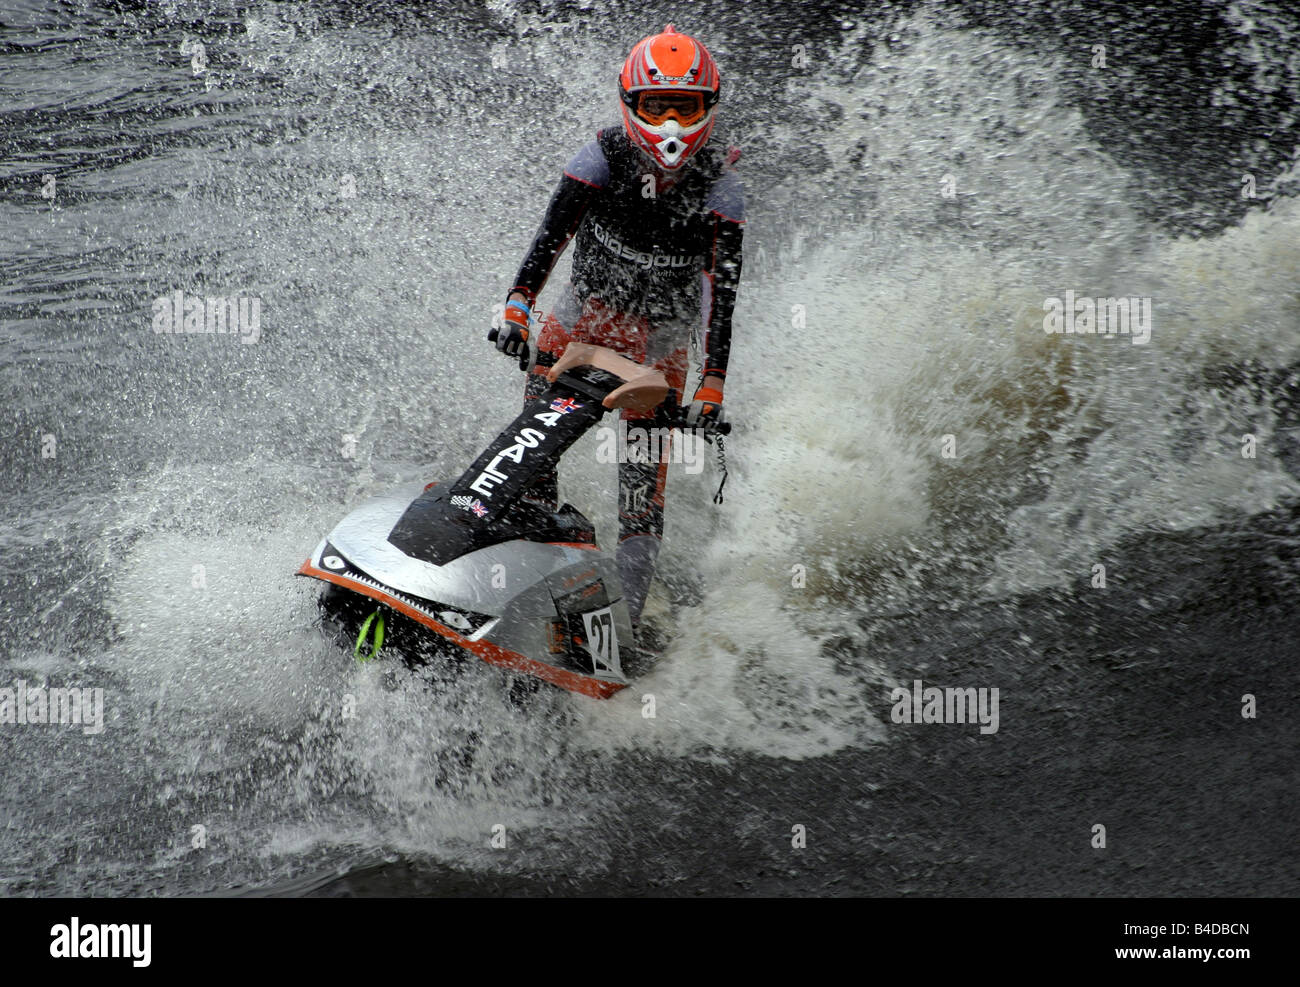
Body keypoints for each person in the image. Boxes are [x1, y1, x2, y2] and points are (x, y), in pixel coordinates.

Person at [491, 24, 745, 635]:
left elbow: (721, 300)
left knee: (640, 494)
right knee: (531, 458)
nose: (671, 126)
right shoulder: (602, 156)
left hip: (658, 357)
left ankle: (624, 626)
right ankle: (538, 564)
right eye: (657, 106)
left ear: (707, 108)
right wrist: (517, 307)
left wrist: (711, 387)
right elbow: (550, 239)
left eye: (684, 107)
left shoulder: (723, 190)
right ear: (631, 105)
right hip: (576, 328)